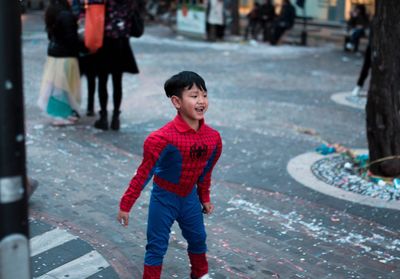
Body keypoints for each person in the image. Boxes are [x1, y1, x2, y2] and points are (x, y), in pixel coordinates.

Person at [117, 71, 223, 279]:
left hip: (190, 199)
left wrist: (205, 198)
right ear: (176, 101)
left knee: (198, 238)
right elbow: (143, 174)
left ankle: (201, 275)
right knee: (157, 245)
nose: (201, 101)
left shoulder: (213, 138)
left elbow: (205, 172)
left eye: (204, 95)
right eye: (194, 96)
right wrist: (125, 204)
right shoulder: (161, 138)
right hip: (164, 198)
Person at [94, 0, 141, 131]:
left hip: (105, 44)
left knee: (102, 81)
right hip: (122, 45)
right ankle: (115, 118)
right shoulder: (129, 3)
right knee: (117, 82)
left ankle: (103, 117)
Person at [38, 0, 84, 126]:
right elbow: (71, 39)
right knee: (64, 87)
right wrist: (84, 46)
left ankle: (60, 113)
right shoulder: (66, 15)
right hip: (66, 56)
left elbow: (51, 35)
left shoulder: (52, 11)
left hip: (54, 55)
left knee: (57, 86)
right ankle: (61, 115)